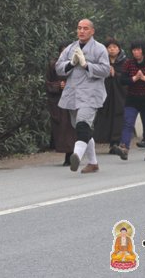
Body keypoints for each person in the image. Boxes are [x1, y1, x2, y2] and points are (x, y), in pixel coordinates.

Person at [55, 19, 110, 173]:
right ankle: (93, 163)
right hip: (73, 93)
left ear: (92, 31)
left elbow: (106, 70)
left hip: (91, 93)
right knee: (80, 128)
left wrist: (87, 65)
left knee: (82, 124)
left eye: (85, 28)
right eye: (79, 28)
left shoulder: (99, 49)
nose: (82, 31)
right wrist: (71, 63)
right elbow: (58, 68)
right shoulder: (70, 48)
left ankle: (77, 155)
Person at [115, 40, 145, 161]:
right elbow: (122, 80)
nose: (136, 52)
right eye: (134, 50)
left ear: (144, 51)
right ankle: (124, 147)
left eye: (139, 50)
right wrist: (134, 78)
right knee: (128, 123)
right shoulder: (128, 64)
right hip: (132, 98)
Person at [93, 37, 127, 154]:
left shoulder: (125, 62)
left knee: (118, 117)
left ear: (119, 49)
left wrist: (116, 74)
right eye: (109, 47)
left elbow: (126, 79)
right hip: (105, 94)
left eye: (114, 47)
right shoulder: (102, 62)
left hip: (119, 95)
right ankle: (103, 139)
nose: (112, 50)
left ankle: (115, 143)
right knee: (103, 116)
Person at [45, 43, 76, 165]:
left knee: (75, 128)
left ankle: (74, 155)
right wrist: (58, 85)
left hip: (75, 100)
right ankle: (69, 155)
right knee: (64, 130)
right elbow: (47, 83)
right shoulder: (53, 65)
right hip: (59, 102)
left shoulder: (78, 64)